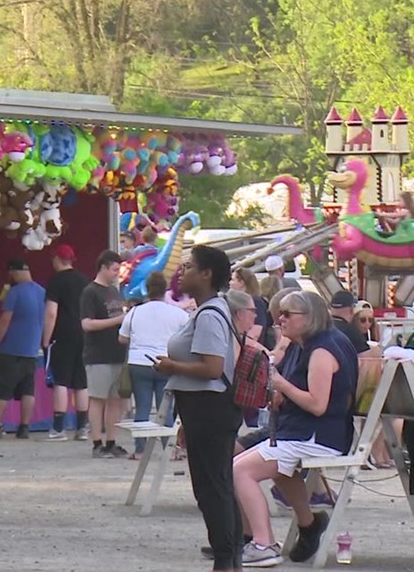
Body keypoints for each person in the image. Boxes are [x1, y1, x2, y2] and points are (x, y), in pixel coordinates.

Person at [232, 291, 358, 567]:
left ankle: (263, 543)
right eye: (280, 313)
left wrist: (282, 386)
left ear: (310, 317)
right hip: (299, 429)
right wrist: (279, 395)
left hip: (317, 434)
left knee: (239, 470)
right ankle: (309, 524)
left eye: (288, 314)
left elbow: (317, 405)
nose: (280, 318)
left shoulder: (323, 350)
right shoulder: (305, 344)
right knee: (268, 468)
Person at [155, 245, 241, 572]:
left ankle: (225, 556)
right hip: (200, 408)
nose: (182, 271)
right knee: (216, 483)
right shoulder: (207, 310)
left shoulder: (209, 314)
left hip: (210, 407)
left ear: (206, 274)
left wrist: (171, 366)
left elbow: (212, 368)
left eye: (189, 267)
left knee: (211, 486)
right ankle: (230, 555)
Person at [118, 272, 188, 459]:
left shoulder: (135, 312)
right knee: (165, 409)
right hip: (166, 362)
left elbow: (122, 338)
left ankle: (140, 450)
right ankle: (169, 450)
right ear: (164, 289)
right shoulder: (177, 314)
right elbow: (187, 337)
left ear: (147, 290)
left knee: (142, 406)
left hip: (139, 362)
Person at [0, 259, 45, 439]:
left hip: (12, 348)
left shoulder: (14, 293)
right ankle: (24, 426)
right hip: (31, 350)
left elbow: (5, 320)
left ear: (14, 272)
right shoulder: (42, 292)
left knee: (1, 388)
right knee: (27, 390)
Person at [80, 250, 128, 458]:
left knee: (115, 400)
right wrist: (117, 321)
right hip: (98, 354)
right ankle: (97, 442)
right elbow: (87, 324)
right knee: (97, 399)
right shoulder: (90, 292)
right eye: (115, 269)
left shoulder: (114, 291)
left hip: (117, 353)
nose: (117, 273)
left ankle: (111, 440)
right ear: (104, 267)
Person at [42, 244, 91, 441]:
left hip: (62, 334)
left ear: (56, 260)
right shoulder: (84, 280)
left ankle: (58, 427)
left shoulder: (56, 281)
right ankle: (82, 428)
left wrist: (46, 338)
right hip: (84, 333)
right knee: (81, 382)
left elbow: (51, 312)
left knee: (60, 381)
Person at [231, 267, 271, 349]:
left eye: (232, 280)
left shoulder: (256, 303)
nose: (230, 283)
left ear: (241, 282)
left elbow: (255, 333)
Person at [328, 290, 376, 357]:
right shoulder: (352, 332)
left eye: (370, 320)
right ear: (351, 310)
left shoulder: (321, 328)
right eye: (362, 320)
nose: (367, 323)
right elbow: (366, 359)